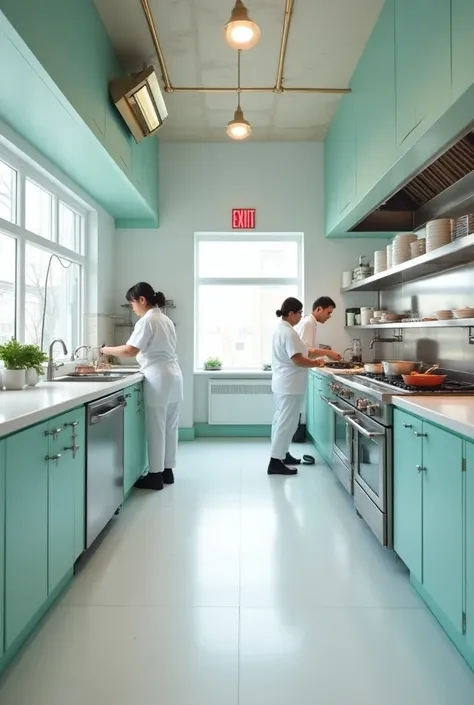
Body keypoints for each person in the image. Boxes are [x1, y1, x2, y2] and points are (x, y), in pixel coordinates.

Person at [101, 282, 183, 491]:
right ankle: (167, 470)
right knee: (170, 427)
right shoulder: (164, 319)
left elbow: (130, 351)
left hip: (159, 377)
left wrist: (105, 350)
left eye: (132, 304)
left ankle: (155, 476)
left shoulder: (147, 321)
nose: (133, 309)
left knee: (157, 427)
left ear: (142, 300)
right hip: (174, 376)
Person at [268, 297, 325, 477]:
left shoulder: (281, 330)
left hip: (283, 383)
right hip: (290, 385)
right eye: (300, 313)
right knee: (286, 423)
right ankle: (275, 462)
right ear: (291, 313)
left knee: (281, 421)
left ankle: (283, 455)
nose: (301, 316)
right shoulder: (289, 333)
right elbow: (297, 359)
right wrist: (316, 363)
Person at [294, 296, 342, 360]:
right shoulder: (308, 323)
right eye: (328, 313)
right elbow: (305, 352)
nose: (329, 316)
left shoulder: (310, 322)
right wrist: (328, 353)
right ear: (319, 309)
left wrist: (324, 352)